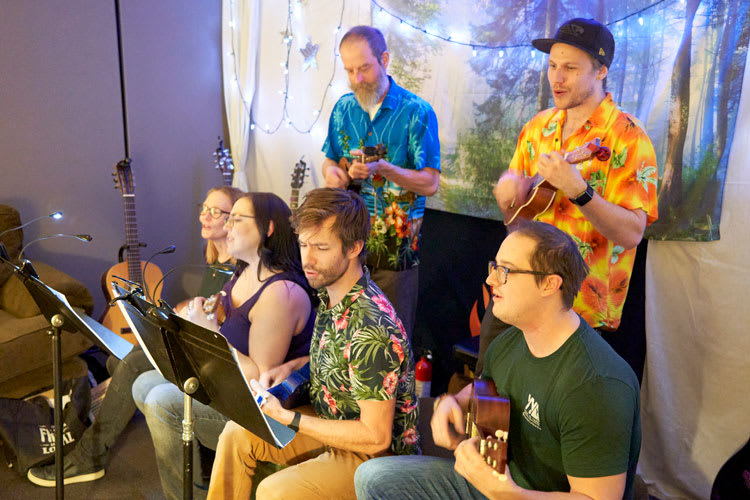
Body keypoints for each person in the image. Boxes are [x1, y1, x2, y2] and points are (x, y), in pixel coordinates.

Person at [355, 221, 641, 500]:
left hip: (515, 493)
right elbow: (489, 393)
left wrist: (507, 494)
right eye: (494, 267)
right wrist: (452, 403)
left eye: (505, 271)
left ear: (550, 284)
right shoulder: (509, 341)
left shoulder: (597, 384)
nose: (491, 279)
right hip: (499, 485)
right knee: (374, 478)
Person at [206, 187, 418, 500]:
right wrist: (293, 366)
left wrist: (291, 418)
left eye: (320, 247)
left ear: (354, 247)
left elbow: (375, 437)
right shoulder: (331, 292)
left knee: (274, 491)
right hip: (333, 422)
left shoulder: (370, 327)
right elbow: (342, 361)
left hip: (375, 457)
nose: (308, 259)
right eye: (303, 244)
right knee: (237, 434)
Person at [26, 185, 244, 487]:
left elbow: (219, 330)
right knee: (122, 362)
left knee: (129, 364)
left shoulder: (237, 270)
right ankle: (96, 435)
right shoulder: (216, 263)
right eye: (203, 208)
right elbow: (205, 312)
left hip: (215, 365)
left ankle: (89, 457)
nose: (205, 217)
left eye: (215, 211)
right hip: (197, 351)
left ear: (235, 220)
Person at [484, 17, 659, 380]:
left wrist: (578, 190)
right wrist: (508, 191)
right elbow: (517, 213)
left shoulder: (628, 136)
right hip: (517, 293)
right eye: (552, 66)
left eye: (570, 68)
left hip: (578, 312)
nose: (556, 78)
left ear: (601, 71)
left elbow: (631, 234)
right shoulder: (538, 127)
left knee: (554, 422)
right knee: (491, 398)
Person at [132, 192, 316, 500]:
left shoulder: (281, 292)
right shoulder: (244, 272)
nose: (226, 226)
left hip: (260, 407)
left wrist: (212, 333)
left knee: (160, 401)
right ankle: (202, 486)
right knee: (142, 384)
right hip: (226, 383)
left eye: (235, 218)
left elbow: (260, 378)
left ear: (267, 228)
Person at [322, 25, 441, 338]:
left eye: (364, 68)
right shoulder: (343, 109)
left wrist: (385, 169)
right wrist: (338, 175)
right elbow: (331, 162)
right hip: (345, 247)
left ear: (384, 59)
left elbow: (430, 183)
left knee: (391, 341)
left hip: (394, 251)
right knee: (343, 338)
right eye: (349, 70)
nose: (357, 79)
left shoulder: (417, 112)